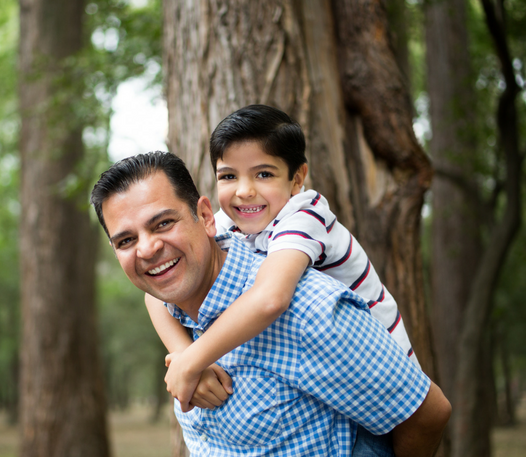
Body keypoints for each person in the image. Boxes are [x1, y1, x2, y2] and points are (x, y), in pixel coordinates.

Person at [90, 151, 451, 456]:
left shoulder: (310, 310)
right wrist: (186, 356)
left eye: (163, 223)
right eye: (125, 241)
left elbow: (427, 414)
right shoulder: (174, 308)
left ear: (204, 216)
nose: (147, 249)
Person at [145, 105, 418, 416]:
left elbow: (271, 298)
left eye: (264, 174)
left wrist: (192, 362)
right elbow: (154, 293)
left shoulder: (305, 213)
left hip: (380, 383)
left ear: (297, 178)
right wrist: (184, 355)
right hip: (329, 387)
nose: (244, 192)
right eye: (229, 176)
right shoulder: (229, 220)